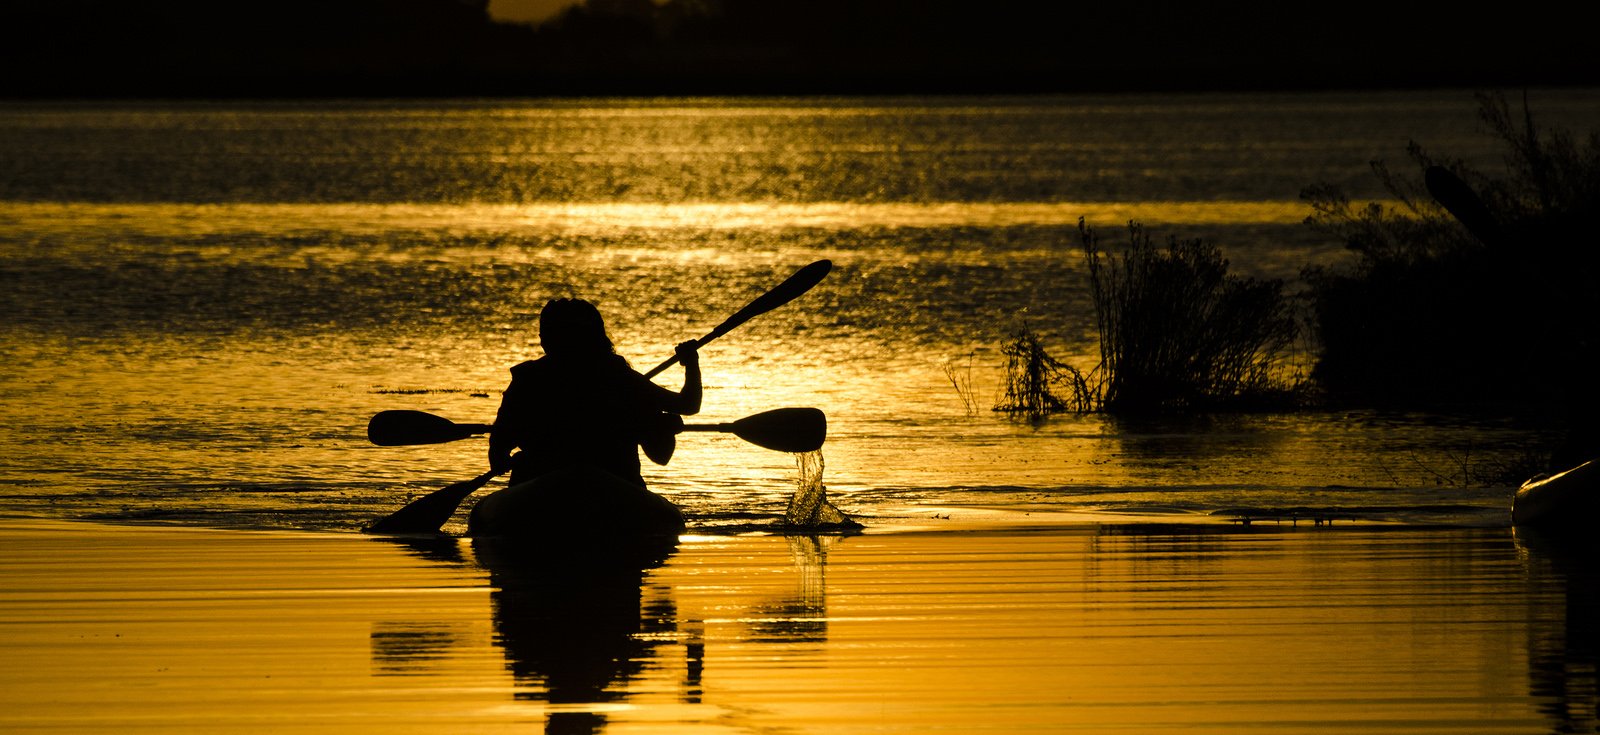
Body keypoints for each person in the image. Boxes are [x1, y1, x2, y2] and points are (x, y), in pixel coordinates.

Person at [488, 298, 700, 488]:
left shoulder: (528, 378)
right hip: (615, 486)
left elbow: (498, 451)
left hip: (541, 487)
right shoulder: (620, 377)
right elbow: (687, 405)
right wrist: (691, 363)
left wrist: (503, 460)